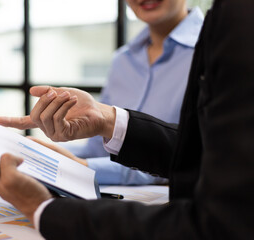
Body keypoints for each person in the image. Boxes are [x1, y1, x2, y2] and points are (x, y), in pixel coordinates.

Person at [0, 0, 254, 239]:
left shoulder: (231, 35)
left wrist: (68, 176)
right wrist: (44, 150)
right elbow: (190, 148)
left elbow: (213, 189)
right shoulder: (123, 60)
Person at [61, 0, 204, 185]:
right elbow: (97, 151)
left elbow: (197, 156)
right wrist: (43, 155)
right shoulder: (122, 60)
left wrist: (81, 166)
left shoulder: (217, 51)